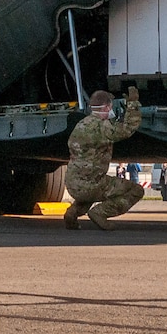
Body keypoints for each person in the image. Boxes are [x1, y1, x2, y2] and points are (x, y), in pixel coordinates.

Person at [63, 87, 143, 230]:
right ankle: (99, 213)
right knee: (136, 190)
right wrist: (133, 104)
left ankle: (72, 213)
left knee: (90, 190)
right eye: (110, 106)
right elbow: (128, 128)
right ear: (106, 107)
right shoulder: (102, 127)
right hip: (91, 184)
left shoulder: (81, 124)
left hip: (72, 183)